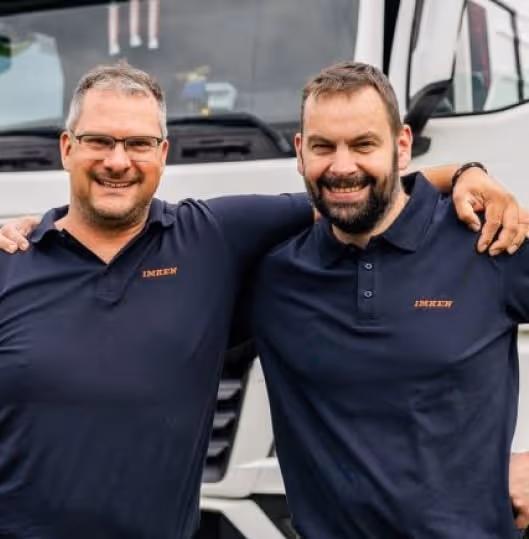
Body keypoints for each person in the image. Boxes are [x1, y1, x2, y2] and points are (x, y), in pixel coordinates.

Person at [0, 61, 525, 539]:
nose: (118, 161)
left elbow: (363, 191)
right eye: (98, 141)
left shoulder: (211, 238)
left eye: (138, 143)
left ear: (162, 153)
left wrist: (466, 171)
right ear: (67, 148)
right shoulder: (13, 260)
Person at [250, 61, 529, 538]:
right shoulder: (273, 276)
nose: (342, 167)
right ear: (300, 151)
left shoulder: (485, 240)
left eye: (363, 145)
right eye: (323, 146)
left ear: (402, 146)